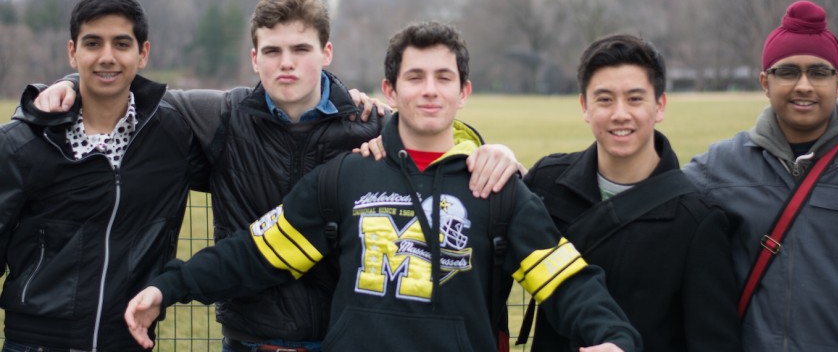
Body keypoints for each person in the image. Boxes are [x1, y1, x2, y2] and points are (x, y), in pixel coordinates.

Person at [34, 0, 521, 352]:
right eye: (272, 51)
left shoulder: (367, 125)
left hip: (339, 337)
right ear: (255, 58)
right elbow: (124, 84)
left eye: (300, 50)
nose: (286, 63)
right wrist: (63, 85)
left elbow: (435, 133)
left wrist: (486, 147)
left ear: (326, 53)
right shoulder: (220, 116)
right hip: (249, 337)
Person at [124, 20, 642, 352]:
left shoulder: (494, 185)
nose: (430, 90)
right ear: (391, 90)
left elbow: (563, 277)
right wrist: (168, 287)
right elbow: (257, 253)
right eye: (415, 77)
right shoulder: (348, 176)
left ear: (464, 92)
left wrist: (614, 337)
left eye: (443, 78)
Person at [683, 0, 838, 351]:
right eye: (788, 72)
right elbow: (651, 209)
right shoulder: (719, 168)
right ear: (765, 83)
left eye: (818, 72)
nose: (803, 85)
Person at [0, 0, 209, 351]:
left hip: (128, 340)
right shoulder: (22, 144)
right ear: (73, 51)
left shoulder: (174, 137)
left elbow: (252, 117)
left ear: (143, 53)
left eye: (122, 44)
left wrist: (340, 106)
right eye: (93, 43)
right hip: (35, 343)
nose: (107, 57)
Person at [523, 34, 741, 351]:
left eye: (635, 99)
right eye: (605, 99)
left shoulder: (698, 222)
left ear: (660, 105)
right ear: (584, 106)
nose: (620, 114)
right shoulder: (546, 184)